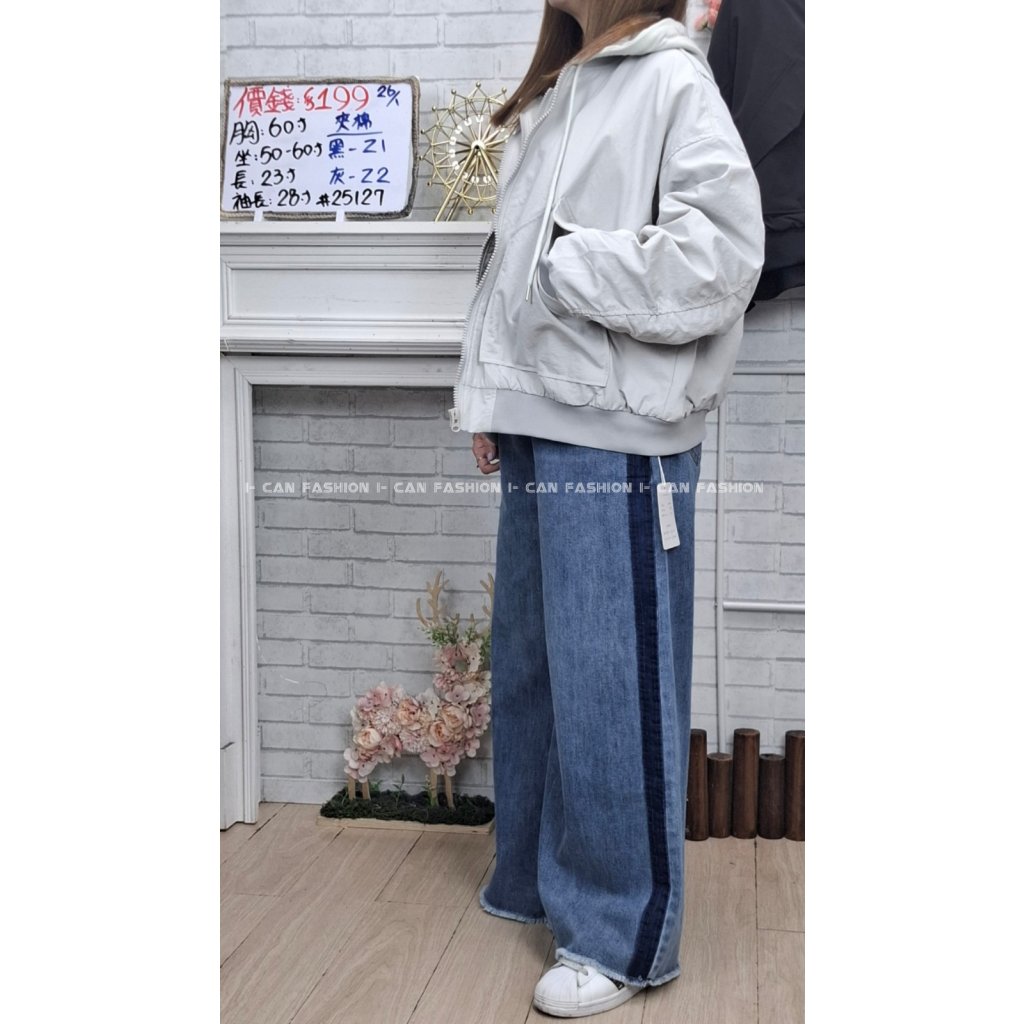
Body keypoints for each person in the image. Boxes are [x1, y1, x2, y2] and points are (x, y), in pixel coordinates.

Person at [450, 2, 764, 1016]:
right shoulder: (556, 92)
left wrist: (566, 265)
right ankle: (538, 882)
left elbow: (720, 257)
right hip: (541, 417)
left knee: (609, 679)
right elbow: (501, 273)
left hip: (618, 430)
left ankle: (619, 934)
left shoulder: (670, 78)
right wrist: (490, 402)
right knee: (536, 668)